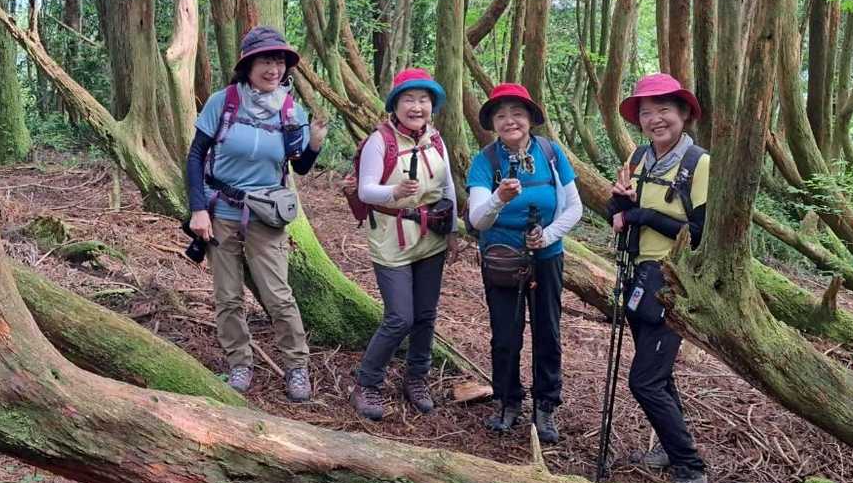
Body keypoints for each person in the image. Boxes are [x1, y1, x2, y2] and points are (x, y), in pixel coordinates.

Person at [185, 26, 327, 401]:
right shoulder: (224, 102)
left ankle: (296, 367)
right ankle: (239, 363)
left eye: (279, 61)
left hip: (266, 215)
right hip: (221, 212)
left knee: (278, 296)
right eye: (265, 60)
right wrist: (198, 209)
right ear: (248, 65)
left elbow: (299, 167)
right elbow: (196, 155)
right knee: (228, 296)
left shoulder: (291, 110)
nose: (273, 68)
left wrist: (314, 144)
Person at [606, 72, 709, 483]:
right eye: (647, 112)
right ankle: (670, 448)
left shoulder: (698, 163)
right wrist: (619, 203)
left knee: (644, 381)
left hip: (672, 284)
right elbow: (618, 214)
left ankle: (691, 469)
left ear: (683, 113)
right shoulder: (638, 158)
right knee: (659, 376)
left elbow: (701, 233)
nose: (655, 119)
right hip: (637, 278)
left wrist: (645, 215)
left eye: (664, 110)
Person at [467, 83, 583, 444]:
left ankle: (545, 406)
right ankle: (507, 401)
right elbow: (477, 219)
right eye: (501, 115)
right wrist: (499, 198)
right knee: (505, 334)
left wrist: (547, 236)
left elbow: (574, 207)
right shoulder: (486, 161)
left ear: (530, 118)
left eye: (517, 113)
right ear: (493, 123)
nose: (510, 121)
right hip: (502, 260)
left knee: (547, 332)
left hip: (547, 258)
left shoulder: (550, 153)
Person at [349, 69, 457, 420]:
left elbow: (448, 187)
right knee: (399, 317)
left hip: (431, 237)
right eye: (409, 99)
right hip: (391, 238)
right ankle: (367, 383)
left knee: (425, 315)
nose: (416, 107)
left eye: (423, 100)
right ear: (395, 104)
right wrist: (394, 192)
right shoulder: (380, 141)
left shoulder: (436, 140)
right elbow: (366, 190)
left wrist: (453, 231)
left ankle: (417, 378)